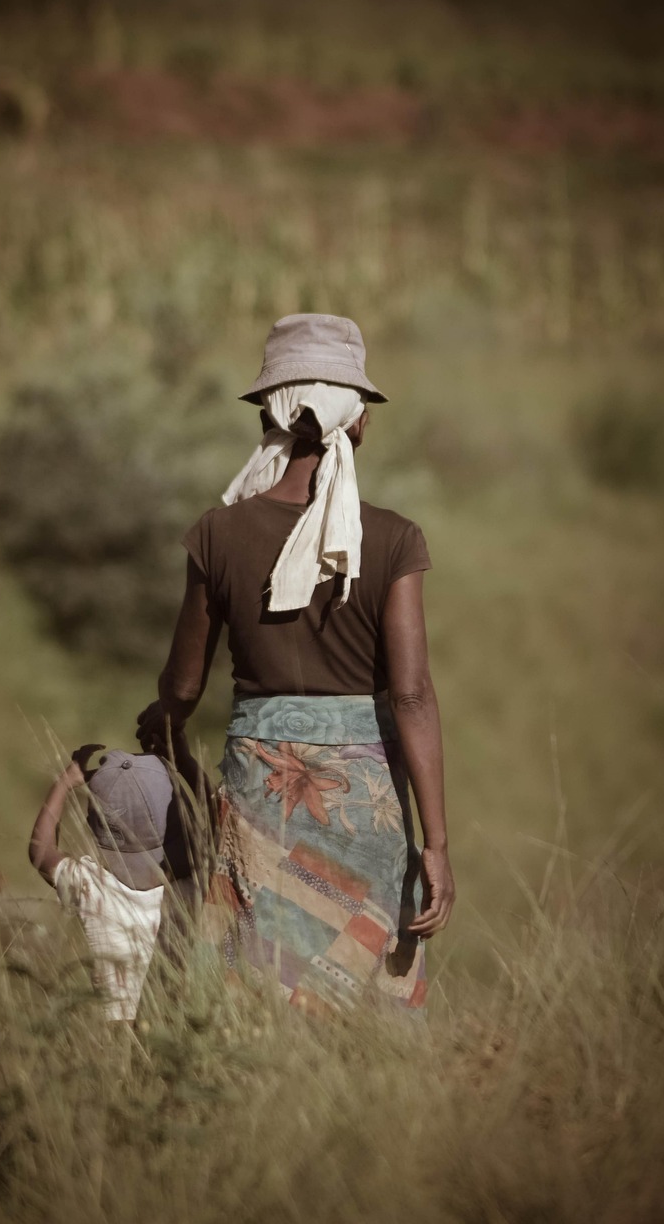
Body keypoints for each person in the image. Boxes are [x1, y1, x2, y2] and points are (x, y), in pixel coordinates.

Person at [137, 312, 454, 1016]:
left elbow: (183, 684)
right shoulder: (396, 539)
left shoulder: (217, 534)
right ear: (359, 421)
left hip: (262, 798)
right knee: (365, 1005)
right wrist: (434, 844)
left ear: (267, 418)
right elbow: (411, 696)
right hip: (365, 807)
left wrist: (166, 719)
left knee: (257, 994)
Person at [28, 739, 212, 1022]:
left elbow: (41, 851)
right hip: (178, 1027)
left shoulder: (92, 887)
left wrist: (65, 783)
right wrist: (185, 761)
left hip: (119, 1037)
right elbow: (224, 825)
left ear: (94, 827)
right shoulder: (196, 887)